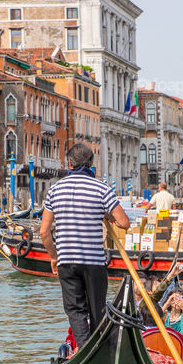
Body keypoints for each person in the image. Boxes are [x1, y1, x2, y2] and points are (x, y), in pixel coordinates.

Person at [40, 143, 131, 348]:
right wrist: (106, 214)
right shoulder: (101, 189)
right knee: (97, 309)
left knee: (75, 311)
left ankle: (85, 350)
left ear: (69, 163)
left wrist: (54, 257)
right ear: (91, 164)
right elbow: (124, 223)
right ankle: (99, 351)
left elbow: (44, 232)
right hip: (93, 262)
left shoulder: (54, 190)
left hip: (66, 261)